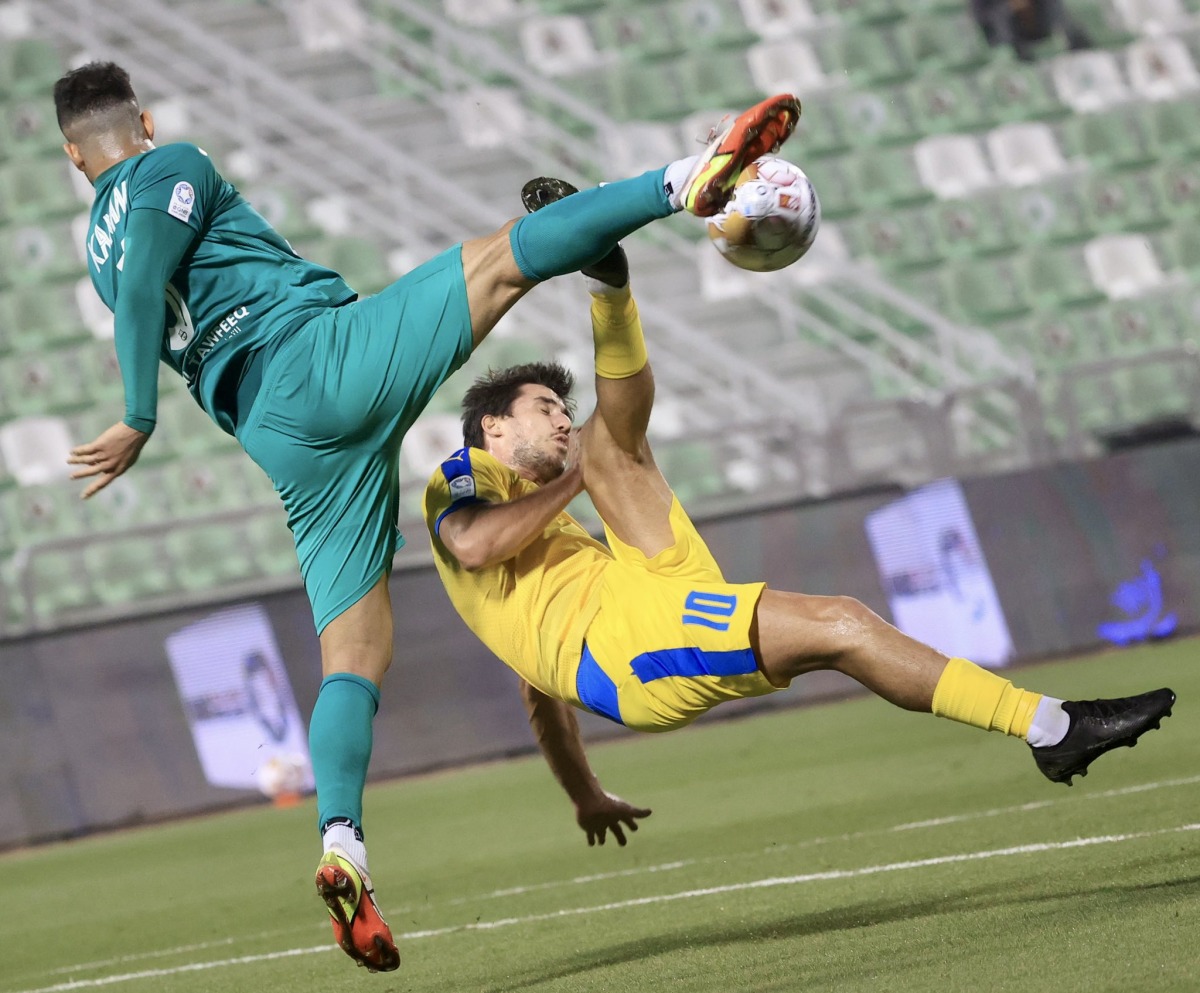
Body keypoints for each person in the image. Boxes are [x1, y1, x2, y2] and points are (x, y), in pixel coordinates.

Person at [51, 60, 802, 972]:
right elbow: (146, 292)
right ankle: (688, 177)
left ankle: (343, 844)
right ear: (143, 118)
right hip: (317, 358)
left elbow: (133, 290)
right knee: (501, 262)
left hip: (278, 437)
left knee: (354, 654)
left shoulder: (96, 239)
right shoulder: (173, 166)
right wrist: (137, 412)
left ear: (71, 157)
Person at [422, 181, 1175, 849]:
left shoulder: (550, 540)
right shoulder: (464, 476)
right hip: (623, 646)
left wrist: (586, 794)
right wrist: (578, 476)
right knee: (840, 621)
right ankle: (1054, 727)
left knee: (618, 446)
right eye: (544, 409)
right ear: (493, 429)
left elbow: (535, 690)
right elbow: (477, 543)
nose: (560, 420)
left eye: (562, 407)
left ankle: (609, 284)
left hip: (648, 597)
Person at [970, 0, 1092, 62]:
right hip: (1012, 45)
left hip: (1048, 40)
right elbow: (981, 14)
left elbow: (1060, 18)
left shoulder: (1050, 12)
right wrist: (1010, 6)